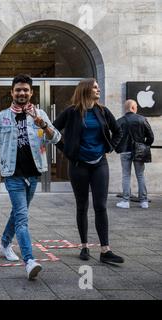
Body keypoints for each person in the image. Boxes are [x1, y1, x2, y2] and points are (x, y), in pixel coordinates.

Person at [0, 74, 61, 280]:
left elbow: (56, 138)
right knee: (22, 217)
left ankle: (4, 243)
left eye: (25, 90)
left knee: (19, 213)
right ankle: (29, 260)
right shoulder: (1, 118)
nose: (22, 93)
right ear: (11, 92)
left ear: (31, 92)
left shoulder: (40, 114)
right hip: (12, 174)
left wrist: (42, 124)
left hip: (34, 174)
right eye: (18, 90)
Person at [53, 78, 124, 264]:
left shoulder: (102, 111)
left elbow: (118, 132)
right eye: (94, 87)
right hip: (78, 165)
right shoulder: (71, 112)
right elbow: (53, 130)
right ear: (85, 90)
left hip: (100, 164)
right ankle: (84, 246)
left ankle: (105, 250)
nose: (98, 89)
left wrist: (109, 148)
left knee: (100, 205)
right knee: (82, 205)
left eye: (98, 87)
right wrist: (67, 150)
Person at [115, 99, 154, 209]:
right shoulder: (142, 119)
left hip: (125, 151)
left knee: (126, 176)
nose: (137, 108)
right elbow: (151, 137)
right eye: (136, 106)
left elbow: (115, 137)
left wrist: (118, 148)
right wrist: (144, 146)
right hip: (139, 152)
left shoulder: (120, 121)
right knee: (140, 176)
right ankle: (144, 201)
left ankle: (126, 201)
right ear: (133, 107)